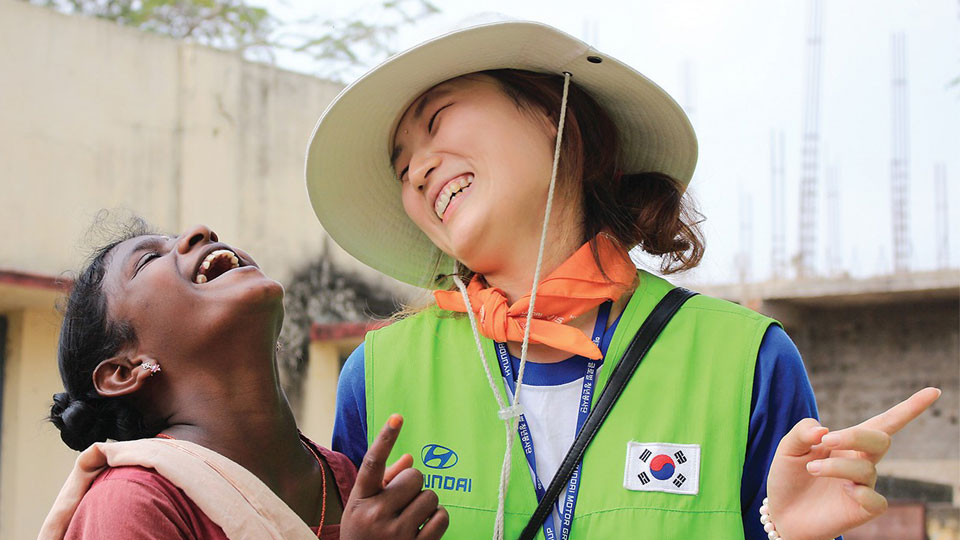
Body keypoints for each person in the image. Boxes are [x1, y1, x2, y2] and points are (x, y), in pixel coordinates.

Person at [304, 21, 940, 540]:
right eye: (401, 165)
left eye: (437, 120)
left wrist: (785, 536)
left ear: (553, 118)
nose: (416, 168)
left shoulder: (749, 361)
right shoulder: (377, 376)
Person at [39, 219, 449, 540]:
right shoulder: (133, 502)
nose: (201, 231)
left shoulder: (345, 477)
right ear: (124, 372)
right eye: (147, 260)